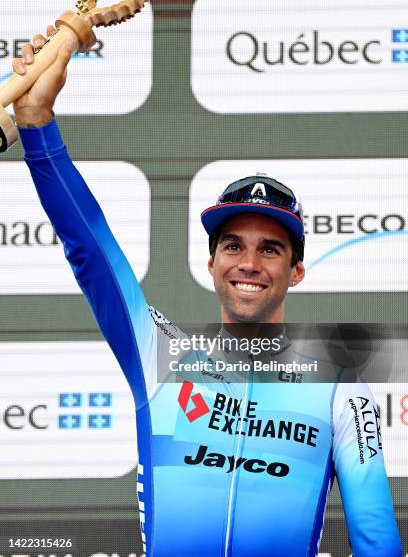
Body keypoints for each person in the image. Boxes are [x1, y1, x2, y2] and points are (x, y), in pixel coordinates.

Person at [11, 30, 403, 557]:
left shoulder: (340, 386)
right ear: (212, 262)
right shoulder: (162, 353)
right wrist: (38, 129)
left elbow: (375, 534)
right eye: (234, 246)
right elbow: (90, 249)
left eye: (270, 250)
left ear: (297, 271)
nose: (249, 263)